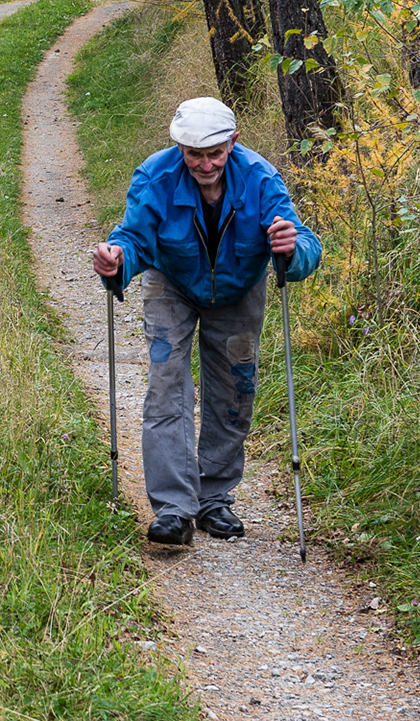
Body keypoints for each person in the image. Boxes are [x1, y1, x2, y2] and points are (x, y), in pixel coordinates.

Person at [91, 96, 321, 547]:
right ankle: (174, 509)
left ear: (233, 143)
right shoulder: (154, 177)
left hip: (239, 290)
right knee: (166, 386)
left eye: (215, 152)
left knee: (234, 389)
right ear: (179, 148)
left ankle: (215, 498)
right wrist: (116, 261)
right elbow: (133, 237)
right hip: (171, 284)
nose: (205, 163)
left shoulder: (260, 178)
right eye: (194, 154)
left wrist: (291, 248)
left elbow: (305, 244)